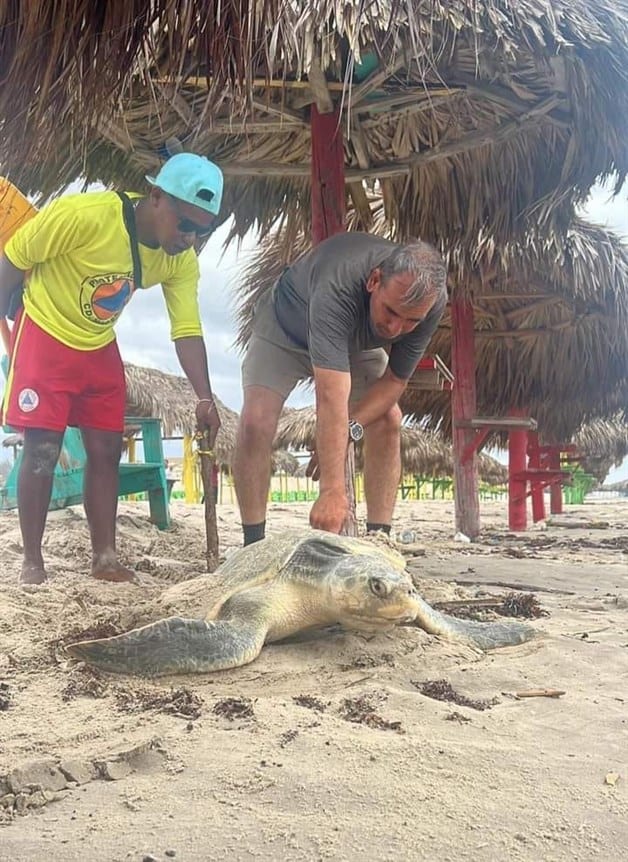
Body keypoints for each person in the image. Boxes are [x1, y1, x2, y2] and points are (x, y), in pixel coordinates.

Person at [0, 153, 223, 586]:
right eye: (185, 224)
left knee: (106, 449)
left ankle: (104, 557)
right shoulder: (84, 215)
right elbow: (13, 258)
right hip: (46, 330)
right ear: (156, 197)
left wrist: (203, 397)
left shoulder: (179, 259)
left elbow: (187, 329)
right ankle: (32, 561)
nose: (190, 238)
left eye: (202, 230)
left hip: (98, 343)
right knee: (43, 448)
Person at [233, 232, 447, 546]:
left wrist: (350, 428)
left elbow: (395, 381)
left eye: (410, 321)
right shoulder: (340, 281)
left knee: (388, 419)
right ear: (374, 280)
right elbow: (331, 395)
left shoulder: (431, 303)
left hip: (355, 344)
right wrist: (332, 491)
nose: (395, 329)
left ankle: (379, 540)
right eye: (390, 311)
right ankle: (253, 543)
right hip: (284, 329)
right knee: (256, 421)